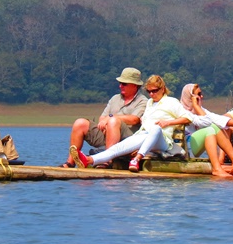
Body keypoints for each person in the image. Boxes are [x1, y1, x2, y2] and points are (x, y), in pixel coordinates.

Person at [69, 74, 197, 173]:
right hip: (144, 136)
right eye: (149, 91)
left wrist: (167, 122)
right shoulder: (149, 104)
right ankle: (89, 160)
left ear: (162, 89)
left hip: (162, 140)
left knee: (156, 129)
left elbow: (188, 118)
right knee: (118, 148)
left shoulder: (171, 102)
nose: (152, 94)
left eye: (155, 91)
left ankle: (137, 160)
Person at [61, 67, 147, 168]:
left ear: (134, 85)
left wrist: (111, 119)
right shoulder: (115, 99)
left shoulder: (143, 101)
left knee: (113, 121)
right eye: (120, 83)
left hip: (127, 140)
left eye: (124, 84)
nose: (120, 86)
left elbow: (134, 119)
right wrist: (108, 125)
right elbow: (102, 119)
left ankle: (107, 160)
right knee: (80, 123)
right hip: (107, 134)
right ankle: (70, 162)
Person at [181, 84, 233, 177]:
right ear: (190, 97)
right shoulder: (181, 110)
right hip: (187, 148)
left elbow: (217, 119)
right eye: (199, 94)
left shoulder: (200, 110)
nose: (201, 96)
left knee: (216, 125)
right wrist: (196, 106)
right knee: (210, 128)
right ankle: (217, 168)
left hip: (196, 147)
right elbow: (206, 121)